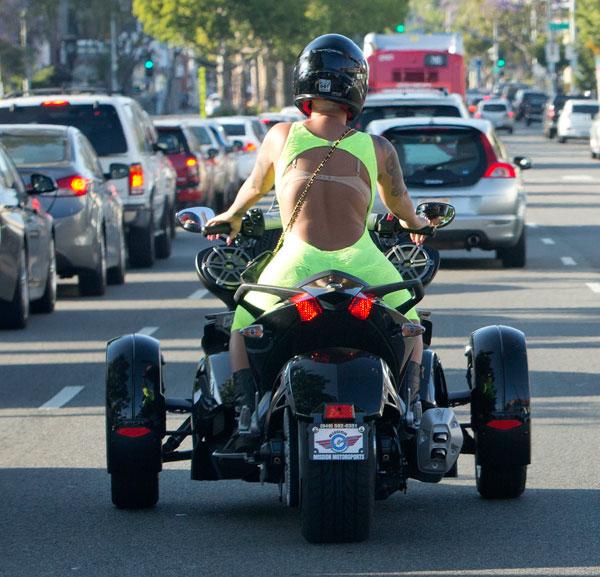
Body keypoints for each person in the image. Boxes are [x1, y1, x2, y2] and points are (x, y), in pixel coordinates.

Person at [205, 34, 430, 435]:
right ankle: (411, 408)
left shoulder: (280, 137)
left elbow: (253, 189)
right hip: (362, 263)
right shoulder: (377, 148)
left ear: (303, 85)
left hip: (297, 262)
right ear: (356, 90)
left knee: (241, 325)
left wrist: (230, 216)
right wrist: (418, 227)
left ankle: (245, 413)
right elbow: (401, 206)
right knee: (411, 327)